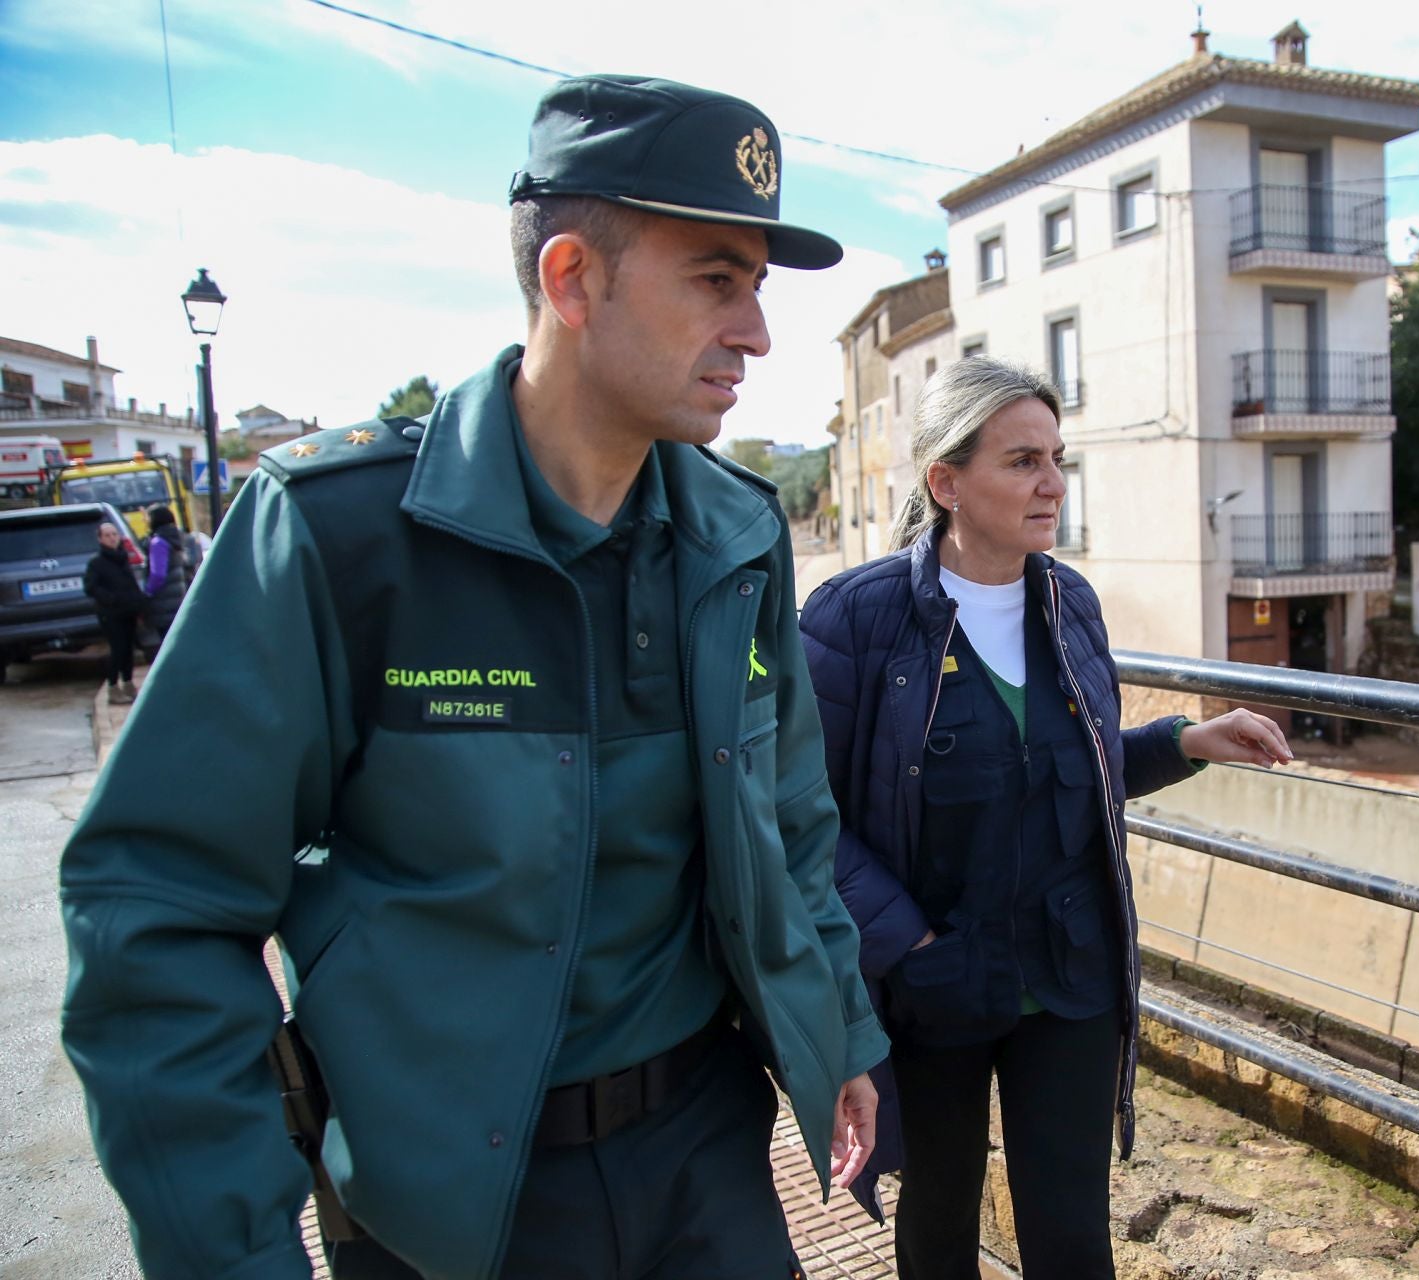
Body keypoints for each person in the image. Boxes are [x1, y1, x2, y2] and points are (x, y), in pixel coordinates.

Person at [62, 74, 885, 1280]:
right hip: (453, 1211)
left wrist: (841, 1029)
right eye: (717, 279)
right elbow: (155, 912)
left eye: (757, 286)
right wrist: (231, 1252)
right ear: (571, 278)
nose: (757, 331)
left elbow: (792, 822)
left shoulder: (740, 537)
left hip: (709, 1162)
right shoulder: (341, 537)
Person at [798, 358, 1292, 1278]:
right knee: (940, 1220)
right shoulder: (856, 619)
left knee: (1071, 1235)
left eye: (1057, 458)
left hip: (1071, 976)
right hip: (936, 981)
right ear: (947, 483)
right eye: (1023, 461)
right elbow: (804, 815)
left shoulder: (1071, 605)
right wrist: (908, 945)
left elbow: (1076, 777)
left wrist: (1185, 741)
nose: (1054, 484)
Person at [81, 520, 145, 704]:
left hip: (128, 611)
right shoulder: (97, 562)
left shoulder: (123, 557)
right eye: (107, 535)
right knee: (117, 650)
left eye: (114, 534)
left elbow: (131, 584)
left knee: (128, 650)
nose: (112, 538)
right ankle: (112, 686)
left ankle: (128, 683)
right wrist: (110, 599)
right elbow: (90, 587)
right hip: (110, 614)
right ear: (100, 539)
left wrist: (138, 603)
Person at [140, 502, 188, 644]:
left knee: (167, 642)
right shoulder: (177, 537)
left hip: (163, 601)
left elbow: (158, 574)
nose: (146, 521)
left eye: (148, 517)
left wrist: (148, 592)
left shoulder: (158, 542)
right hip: (178, 597)